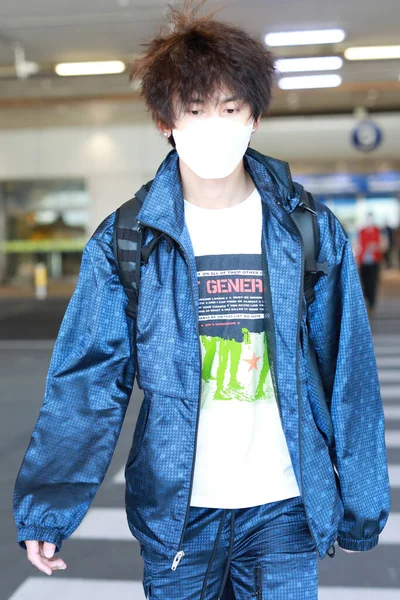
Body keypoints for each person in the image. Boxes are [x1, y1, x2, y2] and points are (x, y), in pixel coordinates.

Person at [13, 1, 390, 598]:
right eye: (194, 110)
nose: (214, 125)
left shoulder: (306, 230)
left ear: (254, 118)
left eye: (230, 108)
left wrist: (362, 504)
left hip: (284, 504)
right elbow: (87, 380)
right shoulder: (126, 241)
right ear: (166, 120)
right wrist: (48, 507)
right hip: (178, 511)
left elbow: (348, 373)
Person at [357, 211, 384, 319]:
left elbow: (382, 244)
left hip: (374, 261)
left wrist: (375, 246)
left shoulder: (377, 231)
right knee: (364, 281)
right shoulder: (362, 231)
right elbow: (358, 245)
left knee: (373, 282)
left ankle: (372, 302)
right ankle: (367, 298)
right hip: (364, 261)